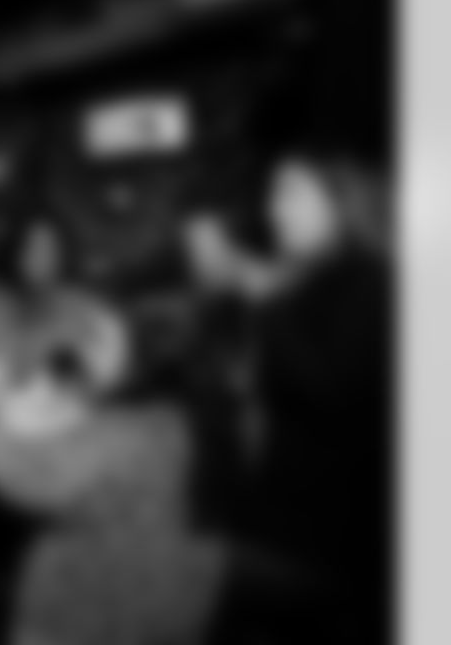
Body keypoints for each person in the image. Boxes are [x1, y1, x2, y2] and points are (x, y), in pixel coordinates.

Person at [188, 154, 393, 645]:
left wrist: (268, 301)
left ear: (339, 202)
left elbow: (336, 391)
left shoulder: (370, 282)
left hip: (326, 542)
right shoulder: (301, 281)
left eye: (291, 193)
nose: (274, 209)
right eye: (272, 194)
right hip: (270, 517)